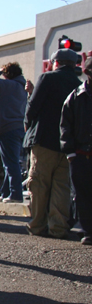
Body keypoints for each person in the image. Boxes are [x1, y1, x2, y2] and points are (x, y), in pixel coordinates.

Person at [23, 48, 81, 240]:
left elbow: (33, 106)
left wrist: (27, 124)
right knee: (61, 187)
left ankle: (38, 225)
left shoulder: (47, 78)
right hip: (67, 144)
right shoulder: (78, 84)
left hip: (44, 140)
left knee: (39, 184)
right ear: (74, 65)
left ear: (55, 63)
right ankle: (58, 227)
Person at [60, 56, 92, 245]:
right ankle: (88, 230)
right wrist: (70, 152)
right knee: (81, 194)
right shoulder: (75, 96)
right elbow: (65, 125)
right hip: (80, 154)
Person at [0, 62, 28, 203]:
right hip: (18, 127)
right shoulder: (21, 87)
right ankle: (6, 192)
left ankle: (15, 195)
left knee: (10, 163)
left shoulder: (9, 86)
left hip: (7, 128)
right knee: (11, 162)